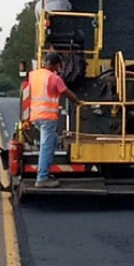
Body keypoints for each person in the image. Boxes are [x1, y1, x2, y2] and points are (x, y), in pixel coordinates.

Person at [28, 51, 82, 188]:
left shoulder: (33, 75)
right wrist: (78, 102)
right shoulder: (54, 78)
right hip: (47, 117)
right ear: (56, 64)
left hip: (36, 116)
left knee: (51, 142)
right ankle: (42, 178)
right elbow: (66, 92)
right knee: (46, 146)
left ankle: (45, 171)